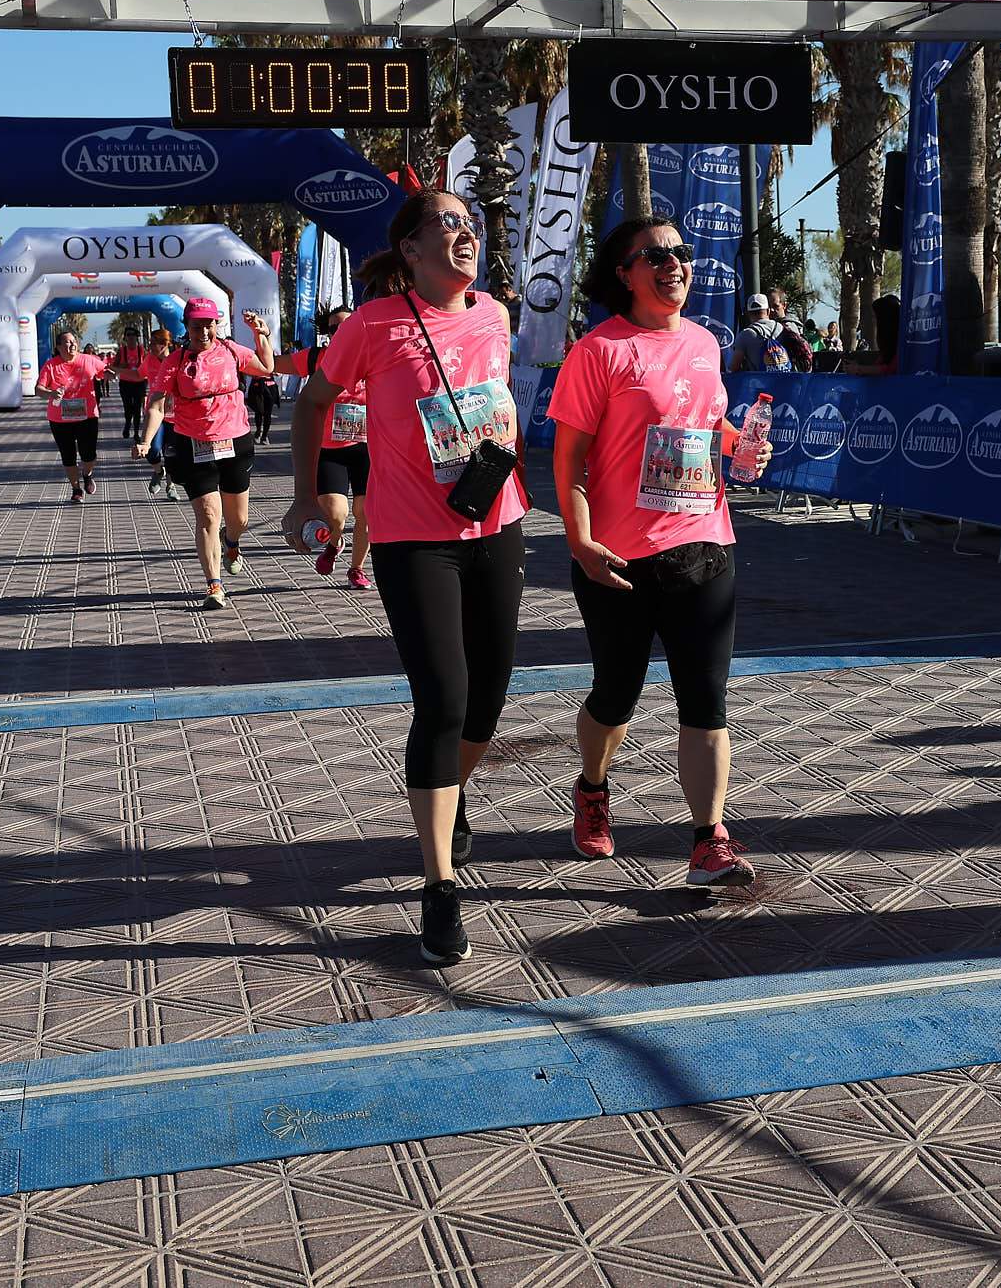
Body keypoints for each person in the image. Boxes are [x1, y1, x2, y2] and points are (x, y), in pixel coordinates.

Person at [284, 190, 527, 965]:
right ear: (412, 248)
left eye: (471, 224)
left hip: (499, 519)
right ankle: (438, 883)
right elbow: (313, 402)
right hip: (413, 537)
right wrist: (299, 495)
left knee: (488, 697)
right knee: (443, 700)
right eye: (447, 224)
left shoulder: (494, 313)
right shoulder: (371, 324)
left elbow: (501, 403)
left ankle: (446, 803)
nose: (465, 234)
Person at [550, 215, 768, 886]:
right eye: (655, 255)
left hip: (704, 542)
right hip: (616, 557)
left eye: (681, 253)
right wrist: (581, 540)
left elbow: (705, 425)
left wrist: (740, 446)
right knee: (615, 695)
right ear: (624, 274)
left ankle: (709, 839)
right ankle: (592, 786)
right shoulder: (600, 349)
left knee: (706, 698)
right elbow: (571, 460)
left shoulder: (706, 343)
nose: (674, 263)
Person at [134, 300, 276, 606]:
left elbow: (266, 367)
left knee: (239, 519)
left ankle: (233, 541)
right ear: (187, 327)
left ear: (216, 325)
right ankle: (214, 585)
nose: (204, 331)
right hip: (193, 444)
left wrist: (261, 336)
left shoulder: (231, 351)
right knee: (209, 515)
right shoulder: (175, 361)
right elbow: (157, 405)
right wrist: (146, 440)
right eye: (197, 325)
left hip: (235, 441)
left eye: (209, 324)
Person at [288, 306, 373, 589]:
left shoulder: (372, 355)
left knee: (366, 512)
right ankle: (335, 543)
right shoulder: (316, 358)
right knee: (337, 513)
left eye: (347, 327)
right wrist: (260, 335)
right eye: (335, 328)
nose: (341, 333)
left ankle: (357, 569)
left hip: (366, 446)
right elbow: (267, 364)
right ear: (328, 333)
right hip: (329, 448)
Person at [34, 330, 109, 504]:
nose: (72, 344)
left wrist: (111, 374)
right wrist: (51, 394)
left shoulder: (89, 360)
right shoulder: (51, 366)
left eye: (74, 341)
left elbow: (105, 372)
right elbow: (38, 389)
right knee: (68, 456)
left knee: (88, 455)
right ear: (59, 347)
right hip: (60, 419)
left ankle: (87, 474)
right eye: (67, 342)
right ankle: (76, 489)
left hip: (87, 417)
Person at [137, 328, 182, 499]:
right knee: (152, 450)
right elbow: (138, 374)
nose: (150, 346)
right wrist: (116, 370)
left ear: (164, 344)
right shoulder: (149, 360)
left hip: (176, 415)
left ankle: (171, 487)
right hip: (155, 413)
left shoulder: (179, 359)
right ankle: (158, 471)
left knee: (170, 452)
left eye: (154, 343)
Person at [730, 293, 793, 374]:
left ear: (748, 313)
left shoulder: (745, 335)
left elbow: (734, 368)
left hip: (761, 385)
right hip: (784, 382)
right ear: (768, 311)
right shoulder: (781, 328)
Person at [113, 327, 151, 443]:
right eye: (129, 335)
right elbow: (115, 366)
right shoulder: (122, 351)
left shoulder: (141, 350)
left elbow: (148, 364)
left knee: (137, 408)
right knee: (128, 407)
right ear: (125, 338)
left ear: (136, 338)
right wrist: (122, 367)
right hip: (126, 383)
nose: (131, 338)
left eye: (133, 335)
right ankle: (127, 423)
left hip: (139, 382)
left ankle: (135, 433)